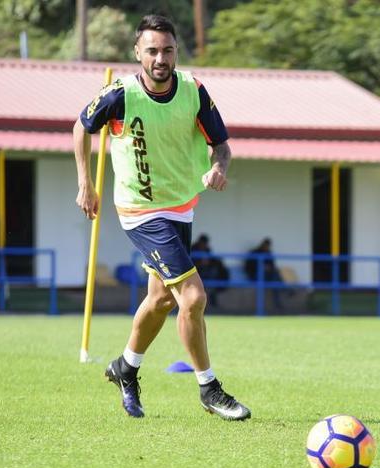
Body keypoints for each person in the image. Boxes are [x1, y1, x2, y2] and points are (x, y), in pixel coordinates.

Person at [73, 14, 250, 421]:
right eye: (151, 50)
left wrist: (219, 167)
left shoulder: (193, 90)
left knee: (160, 299)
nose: (160, 58)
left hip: (181, 205)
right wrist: (86, 184)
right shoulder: (119, 95)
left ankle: (125, 368)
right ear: (138, 53)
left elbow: (221, 145)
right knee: (193, 296)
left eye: (167, 50)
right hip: (140, 210)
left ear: (176, 52)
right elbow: (80, 127)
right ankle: (209, 388)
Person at [244, 237, 284, 311]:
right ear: (262, 244)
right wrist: (260, 267)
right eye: (265, 245)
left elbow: (272, 266)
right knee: (273, 280)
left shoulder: (269, 253)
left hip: (267, 276)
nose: (267, 247)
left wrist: (268, 268)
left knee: (275, 276)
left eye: (268, 246)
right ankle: (285, 288)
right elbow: (248, 267)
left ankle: (278, 303)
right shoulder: (254, 253)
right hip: (255, 275)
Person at [191, 234, 230, 308]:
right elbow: (190, 263)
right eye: (202, 243)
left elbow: (212, 262)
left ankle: (212, 304)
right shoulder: (193, 249)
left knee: (215, 275)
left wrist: (206, 262)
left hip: (207, 273)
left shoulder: (207, 249)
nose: (204, 245)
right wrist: (200, 263)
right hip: (195, 273)